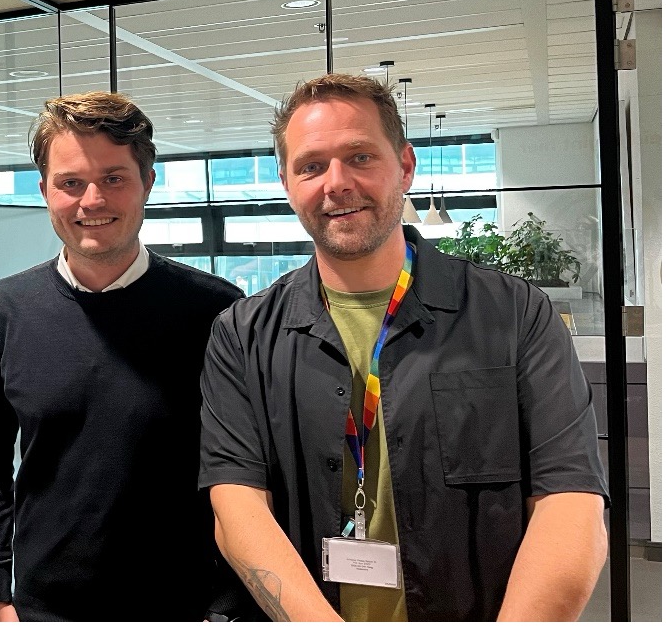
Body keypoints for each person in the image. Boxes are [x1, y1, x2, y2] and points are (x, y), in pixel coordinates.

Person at [200, 73, 608, 621]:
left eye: (360, 157)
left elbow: (570, 502)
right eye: (311, 166)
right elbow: (237, 506)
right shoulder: (243, 334)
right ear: (287, 183)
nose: (336, 183)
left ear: (406, 166)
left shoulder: (514, 314)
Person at [0, 92, 245, 621]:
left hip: (183, 605)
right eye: (70, 183)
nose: (92, 200)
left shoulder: (217, 311)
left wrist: (227, 607)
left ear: (148, 183)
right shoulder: (4, 309)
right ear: (45, 190)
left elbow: (245, 471)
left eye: (114, 178)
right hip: (42, 607)